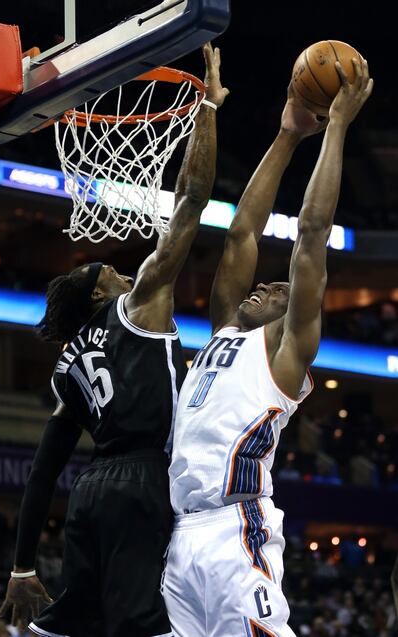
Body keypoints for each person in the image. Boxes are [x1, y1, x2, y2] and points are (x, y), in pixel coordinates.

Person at [0, 43, 229, 637]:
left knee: (75, 622)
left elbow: (46, 468)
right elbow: (190, 202)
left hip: (90, 491)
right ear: (104, 295)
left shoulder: (66, 367)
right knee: (142, 626)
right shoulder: (138, 306)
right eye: (114, 273)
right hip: (142, 479)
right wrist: (206, 108)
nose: (126, 272)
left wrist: (22, 564)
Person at [163, 59, 373, 636]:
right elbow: (242, 233)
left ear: (293, 314)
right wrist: (287, 133)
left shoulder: (285, 356)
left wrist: (335, 128)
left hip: (236, 530)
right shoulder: (227, 329)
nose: (265, 285)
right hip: (182, 535)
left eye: (279, 289)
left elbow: (309, 238)